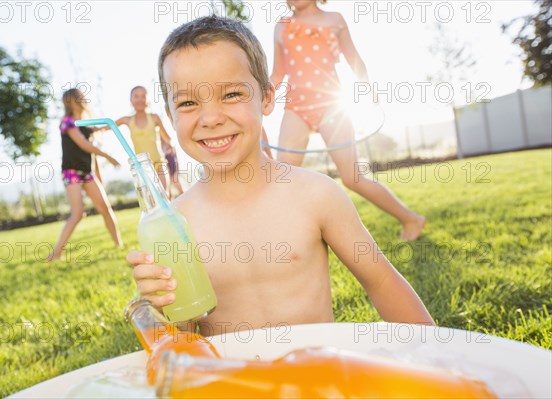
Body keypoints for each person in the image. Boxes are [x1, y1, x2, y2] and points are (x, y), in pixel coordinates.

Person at [127, 16, 435, 336]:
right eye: (188, 103)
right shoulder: (175, 224)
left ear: (267, 98)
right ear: (170, 116)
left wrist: (441, 359)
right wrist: (163, 305)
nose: (211, 118)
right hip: (231, 383)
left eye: (231, 94)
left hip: (315, 377)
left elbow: (383, 282)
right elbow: (185, 337)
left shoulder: (315, 194)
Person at [271, 0, 425, 241]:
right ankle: (294, 238)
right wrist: (265, 95)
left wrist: (368, 87)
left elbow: (355, 59)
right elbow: (278, 73)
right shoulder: (282, 26)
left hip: (331, 106)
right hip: (295, 107)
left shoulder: (335, 20)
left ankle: (411, 218)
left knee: (352, 178)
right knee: (282, 177)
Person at [48, 88, 123, 261]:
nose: (83, 98)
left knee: (105, 208)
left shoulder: (85, 124)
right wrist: (108, 157)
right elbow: (83, 145)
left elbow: (104, 127)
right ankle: (56, 254)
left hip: (87, 172)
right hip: (71, 172)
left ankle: (119, 245)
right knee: (78, 213)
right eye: (79, 96)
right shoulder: (67, 122)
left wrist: (122, 121)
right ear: (72, 101)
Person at [114, 86, 173, 189]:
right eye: (136, 96)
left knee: (165, 194)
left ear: (147, 100)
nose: (140, 99)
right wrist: (94, 129)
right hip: (142, 166)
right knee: (152, 198)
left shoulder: (154, 118)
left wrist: (169, 145)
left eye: (143, 96)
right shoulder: (127, 120)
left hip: (158, 162)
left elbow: (167, 138)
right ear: (131, 101)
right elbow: (108, 126)